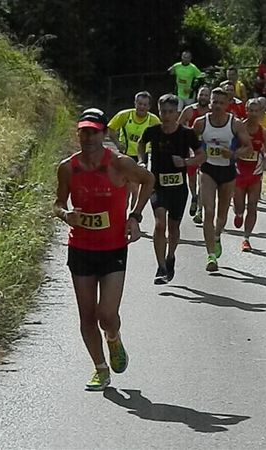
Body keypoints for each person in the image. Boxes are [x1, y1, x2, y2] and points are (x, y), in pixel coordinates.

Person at [54, 108, 155, 391]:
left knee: (106, 315)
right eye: (83, 131)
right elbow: (58, 204)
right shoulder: (67, 167)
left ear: (104, 134)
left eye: (94, 132)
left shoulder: (120, 164)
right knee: (86, 315)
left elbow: (149, 180)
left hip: (113, 248)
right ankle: (100, 369)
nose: (88, 137)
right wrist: (66, 215)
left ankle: (113, 338)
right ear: (78, 134)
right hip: (81, 248)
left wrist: (135, 216)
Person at [139, 94, 206, 284]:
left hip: (178, 188)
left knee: (173, 227)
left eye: (170, 112)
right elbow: (141, 144)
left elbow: (202, 156)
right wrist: (142, 161)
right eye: (163, 112)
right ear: (158, 112)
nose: (166, 115)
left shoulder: (187, 134)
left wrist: (186, 161)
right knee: (160, 224)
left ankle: (170, 256)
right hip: (157, 185)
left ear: (177, 112)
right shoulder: (152, 131)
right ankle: (160, 267)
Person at [193, 87, 253, 272]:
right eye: (214, 102)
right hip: (208, 169)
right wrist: (197, 155)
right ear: (209, 102)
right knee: (208, 211)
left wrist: (233, 154)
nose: (217, 106)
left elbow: (248, 148)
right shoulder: (200, 123)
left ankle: (217, 235)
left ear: (228, 104)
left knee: (221, 214)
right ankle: (211, 255)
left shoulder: (235, 124)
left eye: (221, 102)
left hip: (227, 171)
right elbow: (190, 143)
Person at [108, 91, 160, 209]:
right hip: (125, 156)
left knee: (135, 188)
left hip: (141, 158)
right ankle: (123, 215)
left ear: (149, 106)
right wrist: (117, 143)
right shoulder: (125, 115)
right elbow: (110, 129)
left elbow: (161, 135)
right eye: (139, 104)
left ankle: (132, 218)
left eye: (145, 105)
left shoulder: (153, 120)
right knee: (124, 188)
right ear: (135, 103)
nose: (142, 107)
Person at [233, 98, 266, 252]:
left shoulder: (264, 132)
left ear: (261, 112)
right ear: (246, 111)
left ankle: (246, 238)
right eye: (251, 110)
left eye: (257, 111)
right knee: (239, 205)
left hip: (255, 172)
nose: (254, 114)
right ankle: (238, 213)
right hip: (239, 172)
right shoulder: (238, 128)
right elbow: (231, 146)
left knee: (253, 205)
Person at [177, 86, 212, 222]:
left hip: (207, 149)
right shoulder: (189, 110)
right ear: (197, 95)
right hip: (191, 149)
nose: (203, 97)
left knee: (202, 179)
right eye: (201, 94)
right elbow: (178, 127)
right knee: (191, 179)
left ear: (209, 98)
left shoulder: (212, 111)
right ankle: (194, 196)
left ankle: (200, 210)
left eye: (206, 95)